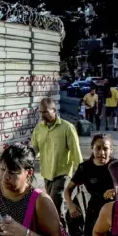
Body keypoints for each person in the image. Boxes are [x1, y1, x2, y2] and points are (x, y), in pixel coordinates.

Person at [31, 97, 83, 226]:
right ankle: (60, 230)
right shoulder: (39, 128)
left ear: (54, 110)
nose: (42, 115)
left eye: (45, 112)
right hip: (47, 173)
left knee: (54, 203)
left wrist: (82, 174)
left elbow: (76, 152)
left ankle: (58, 232)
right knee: (53, 206)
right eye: (40, 112)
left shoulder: (67, 127)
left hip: (62, 173)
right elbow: (33, 148)